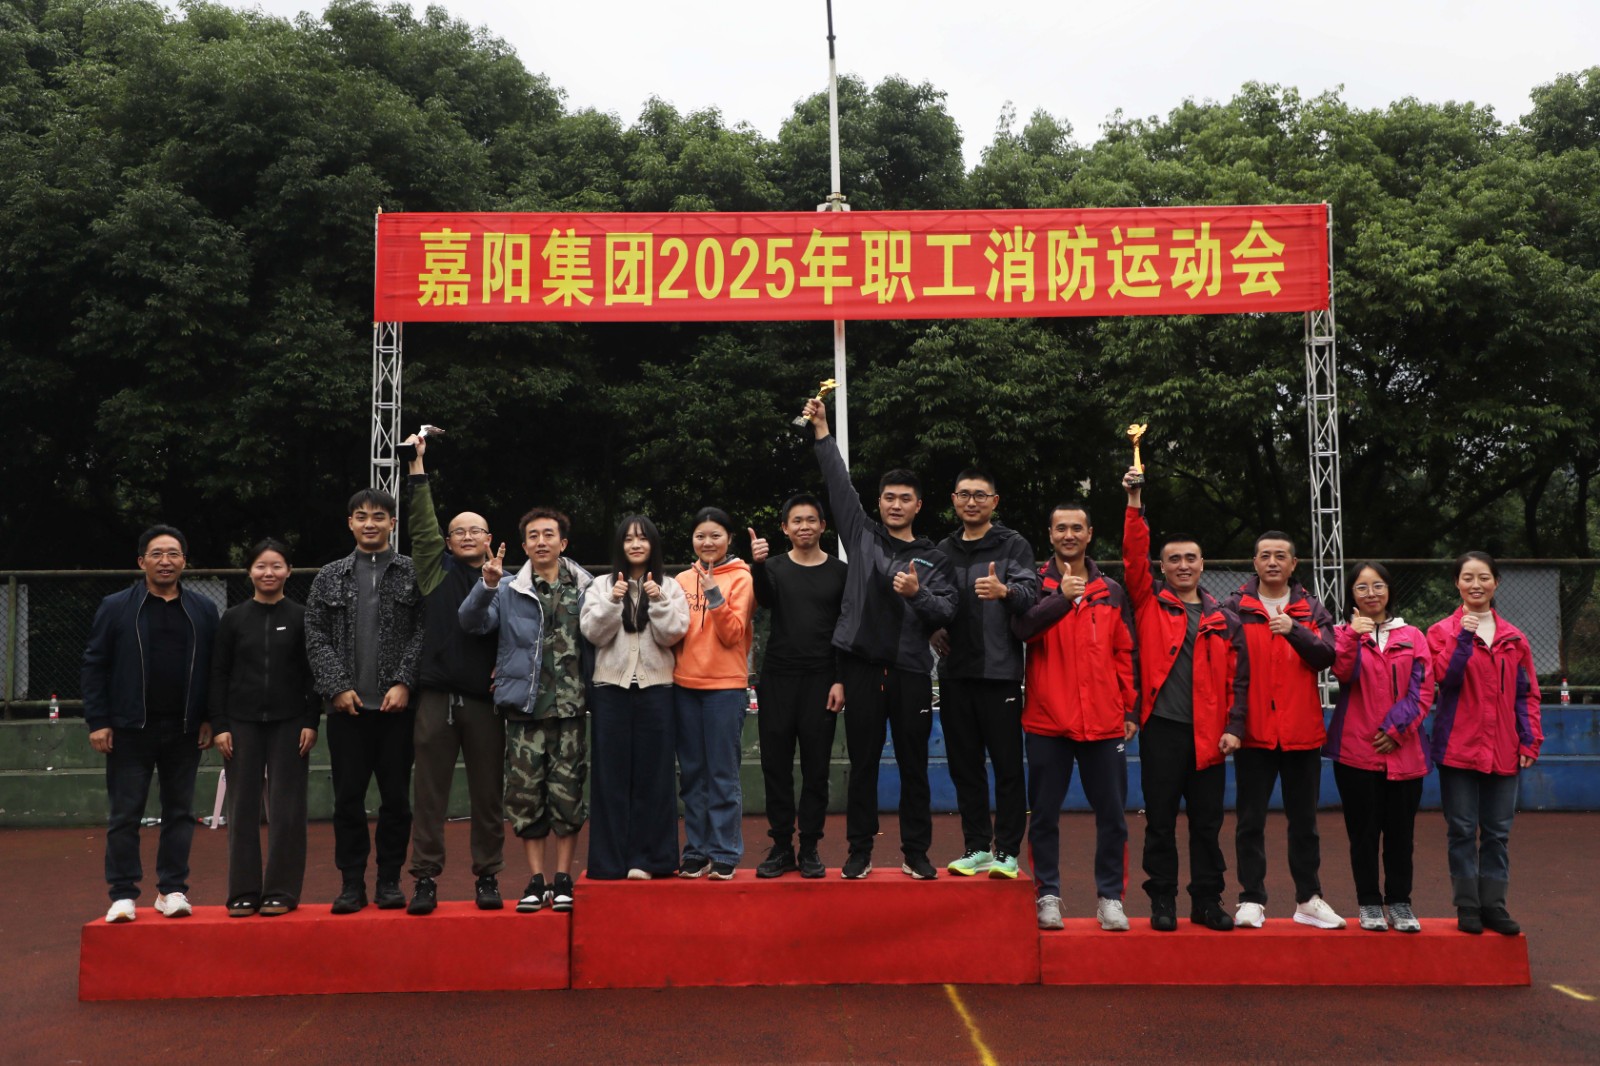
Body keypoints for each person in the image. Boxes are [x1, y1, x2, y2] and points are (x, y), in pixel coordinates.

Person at [802, 396, 957, 880]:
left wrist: (917, 594)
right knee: (864, 763)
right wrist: (822, 430)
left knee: (914, 764)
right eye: (889, 497)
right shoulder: (861, 534)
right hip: (862, 667)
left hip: (911, 669)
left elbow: (946, 610)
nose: (895, 504)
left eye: (904, 498)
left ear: (918, 505)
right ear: (880, 502)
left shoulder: (935, 557)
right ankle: (859, 850)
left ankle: (916, 852)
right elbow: (838, 483)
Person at [1121, 470, 1247, 931]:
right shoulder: (1148, 602)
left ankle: (1207, 901)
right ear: (1162, 566)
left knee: (1207, 824)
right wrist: (1134, 502)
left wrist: (1234, 726)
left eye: (1190, 558)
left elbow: (1239, 681)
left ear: (1202, 563)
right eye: (1173, 559)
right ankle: (1162, 900)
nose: (1183, 565)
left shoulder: (1225, 619)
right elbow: (1133, 557)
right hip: (1162, 730)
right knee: (1160, 820)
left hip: (1210, 736)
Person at [83, 525, 220, 922]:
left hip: (184, 729)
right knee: (125, 815)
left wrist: (210, 717)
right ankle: (123, 894)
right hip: (129, 729)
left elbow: (215, 669)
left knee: (180, 813)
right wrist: (98, 720)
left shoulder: (203, 610)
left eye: (173, 554)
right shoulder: (115, 607)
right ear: (142, 561)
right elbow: (94, 664)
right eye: (157, 554)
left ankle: (172, 890)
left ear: (184, 562)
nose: (165, 561)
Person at [460, 509, 594, 913]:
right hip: (524, 709)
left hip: (570, 710)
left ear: (563, 543)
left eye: (548, 535)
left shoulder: (586, 587)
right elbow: (471, 622)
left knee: (568, 796)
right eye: (533, 536)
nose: (541, 542)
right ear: (524, 545)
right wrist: (486, 585)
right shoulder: (507, 588)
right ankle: (536, 881)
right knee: (525, 797)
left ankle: (563, 878)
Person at [1011, 504, 1137, 931]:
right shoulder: (1033, 585)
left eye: (1076, 528)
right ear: (1050, 534)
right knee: (1044, 815)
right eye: (1061, 528)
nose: (1069, 534)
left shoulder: (1111, 590)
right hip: (1048, 720)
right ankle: (1047, 894)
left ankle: (1110, 899)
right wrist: (1060, 598)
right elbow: (1023, 629)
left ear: (1089, 534)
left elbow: (1124, 652)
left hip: (1103, 721)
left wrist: (1130, 707)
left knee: (1113, 817)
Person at [305, 488, 425, 914]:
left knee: (396, 800)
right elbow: (315, 634)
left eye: (378, 516)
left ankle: (389, 880)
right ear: (350, 523)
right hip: (347, 711)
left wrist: (404, 681)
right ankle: (351, 883)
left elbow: (424, 630)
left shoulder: (413, 573)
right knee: (347, 801)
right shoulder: (329, 576)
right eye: (361, 516)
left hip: (398, 711)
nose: (369, 523)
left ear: (393, 523)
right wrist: (337, 686)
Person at [400, 433, 506, 915]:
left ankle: (488, 876)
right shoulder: (433, 571)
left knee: (488, 795)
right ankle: (425, 878)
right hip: (436, 698)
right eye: (458, 531)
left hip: (486, 703)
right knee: (429, 795)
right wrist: (417, 467)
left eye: (475, 530)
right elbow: (421, 524)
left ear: (489, 539)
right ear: (447, 541)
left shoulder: (508, 582)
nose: (466, 536)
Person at [1225, 530, 1343, 930]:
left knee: (1304, 823)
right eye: (1265, 555)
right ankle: (1251, 899)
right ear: (1254, 563)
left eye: (1280, 556)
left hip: (1301, 732)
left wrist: (1294, 629)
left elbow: (1326, 656)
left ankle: (1308, 898)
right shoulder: (1234, 608)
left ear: (1294, 564)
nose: (1272, 562)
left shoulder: (1311, 608)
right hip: (1252, 732)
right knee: (1249, 822)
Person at [932, 469, 1040, 879]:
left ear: (995, 501)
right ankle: (976, 847)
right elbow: (929, 600)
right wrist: (930, 627)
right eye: (964, 495)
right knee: (965, 766)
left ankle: (1007, 852)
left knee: (1008, 766)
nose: (972, 502)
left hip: (999, 675)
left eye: (980, 495)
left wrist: (1005, 592)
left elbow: (1030, 595)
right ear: (954, 500)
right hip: (955, 674)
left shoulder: (1013, 545)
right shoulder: (942, 549)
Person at [1427, 551, 1542, 935]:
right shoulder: (1440, 632)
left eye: (1484, 577)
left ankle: (1494, 905)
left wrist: (1529, 740)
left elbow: (1526, 695)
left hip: (1504, 748)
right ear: (1457, 583)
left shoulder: (1515, 638)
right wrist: (1463, 636)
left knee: (1497, 832)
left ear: (1496, 583)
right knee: (1461, 829)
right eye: (1468, 578)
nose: (1476, 585)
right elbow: (1445, 677)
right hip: (1458, 747)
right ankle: (1468, 905)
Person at [209, 539, 320, 917]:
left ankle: (281, 892)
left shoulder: (303, 617)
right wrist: (220, 725)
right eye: (260, 566)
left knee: (287, 811)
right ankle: (242, 892)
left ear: (289, 571)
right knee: (242, 810)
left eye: (276, 566)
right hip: (240, 724)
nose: (268, 573)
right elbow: (219, 674)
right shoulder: (233, 618)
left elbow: (313, 675)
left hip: (291, 724)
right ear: (249, 572)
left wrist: (310, 722)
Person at [1325, 561, 1434, 933]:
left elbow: (1423, 690)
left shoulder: (1413, 636)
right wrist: (1352, 637)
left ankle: (1400, 903)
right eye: (1361, 587)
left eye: (1377, 586)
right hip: (1356, 752)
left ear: (1389, 590)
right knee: (1363, 834)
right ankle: (1369, 903)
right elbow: (1343, 673)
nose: (1371, 593)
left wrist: (1396, 729)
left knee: (1401, 835)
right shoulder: (1343, 634)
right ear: (1351, 595)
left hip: (1405, 751)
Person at [580, 516, 691, 880]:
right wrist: (613, 601)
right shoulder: (600, 585)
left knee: (654, 776)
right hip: (610, 691)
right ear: (620, 546)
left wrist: (658, 601)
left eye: (643, 538)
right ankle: (609, 861)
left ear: (653, 545)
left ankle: (650, 860)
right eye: (629, 539)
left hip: (657, 691)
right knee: (610, 777)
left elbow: (673, 635)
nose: (636, 545)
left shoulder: (670, 586)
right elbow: (593, 633)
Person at [749, 495, 848, 879]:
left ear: (823, 525)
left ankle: (809, 847)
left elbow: (845, 629)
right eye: (796, 520)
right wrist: (758, 565)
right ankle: (780, 846)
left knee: (816, 768)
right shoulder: (772, 567)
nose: (804, 526)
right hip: (777, 679)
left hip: (822, 680)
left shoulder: (840, 572)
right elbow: (765, 599)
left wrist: (840, 679)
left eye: (811, 520)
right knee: (775, 766)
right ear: (785, 528)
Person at [673, 507, 756, 880]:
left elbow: (733, 633)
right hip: (683, 686)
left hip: (725, 687)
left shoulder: (742, 578)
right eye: (700, 536)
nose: (707, 542)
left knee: (722, 773)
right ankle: (696, 849)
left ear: (729, 539)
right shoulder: (680, 580)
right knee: (692, 775)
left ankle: (724, 851)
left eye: (715, 535)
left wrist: (715, 596)